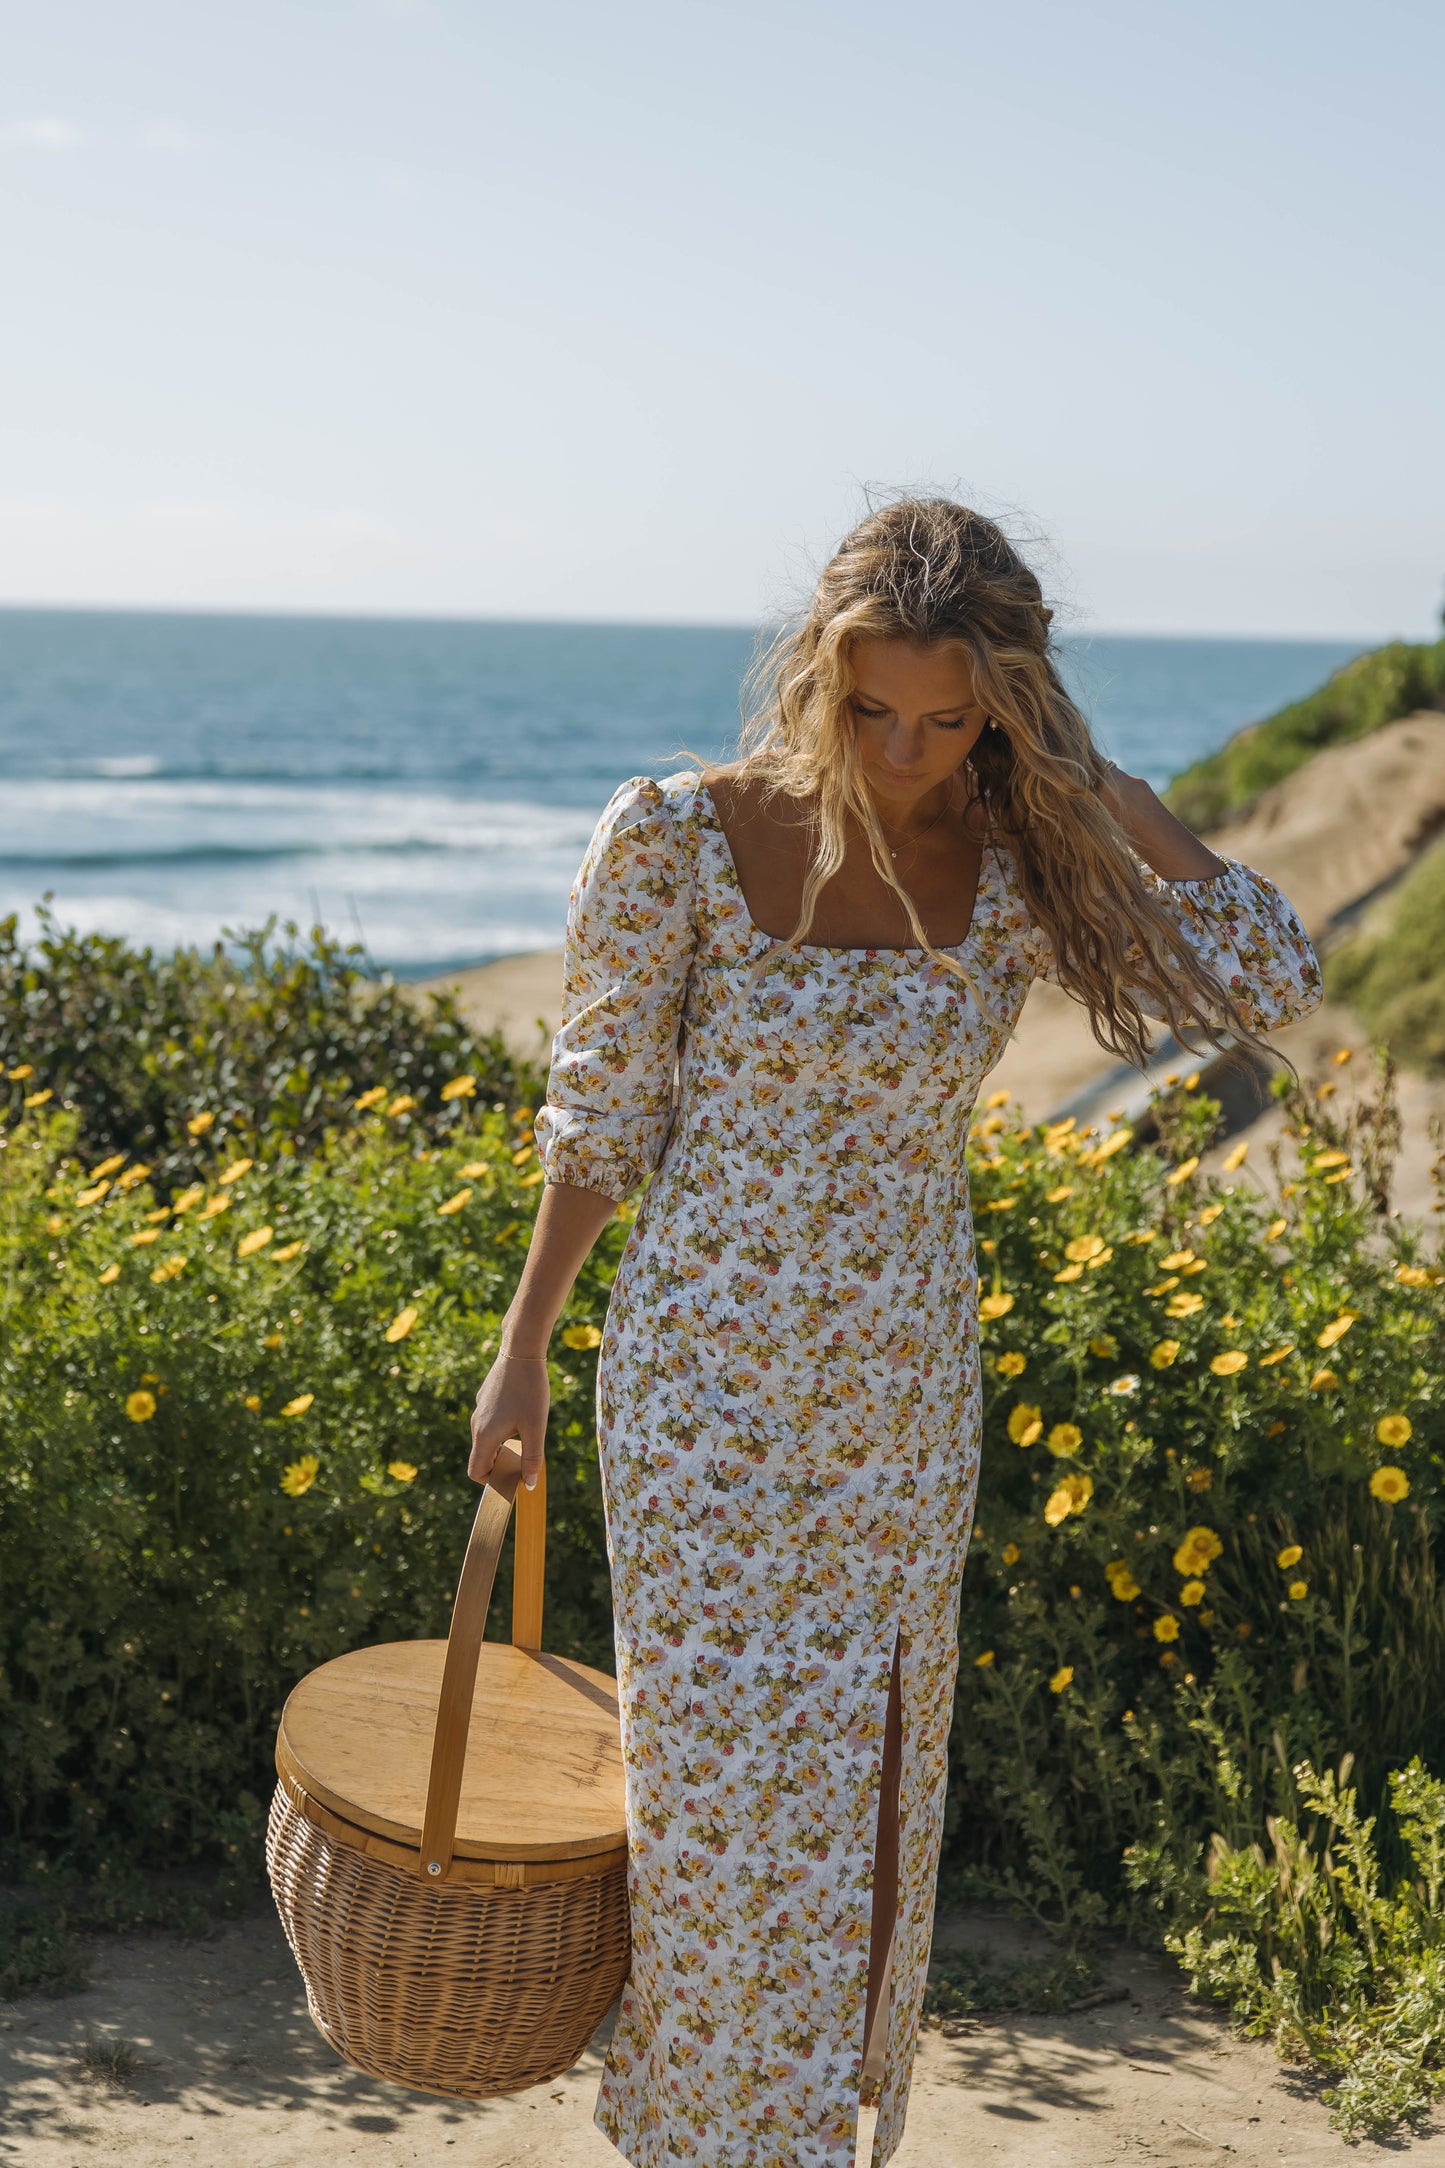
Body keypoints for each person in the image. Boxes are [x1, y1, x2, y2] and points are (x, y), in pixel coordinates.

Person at [467, 498, 1321, 2168]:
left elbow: (1268, 976)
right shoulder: (675, 835)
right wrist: (523, 1357)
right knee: (711, 1817)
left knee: (859, 1812)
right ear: (818, 672)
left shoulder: (1022, 865)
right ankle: (701, 2143)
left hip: (898, 1405)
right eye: (873, 708)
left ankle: (808, 2142)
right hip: (698, 1392)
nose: (910, 749)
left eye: (951, 717)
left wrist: (1118, 806)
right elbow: (599, 1123)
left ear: (1006, 700)